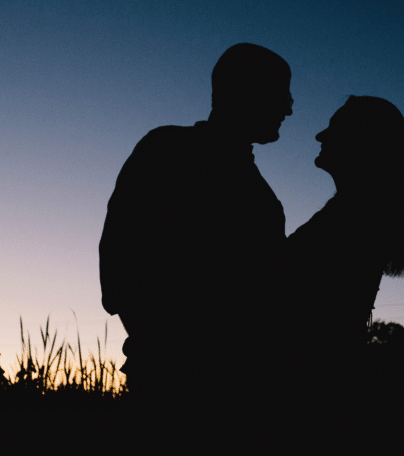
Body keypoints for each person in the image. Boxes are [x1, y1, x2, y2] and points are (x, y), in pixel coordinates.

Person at [98, 43, 292, 441]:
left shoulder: (265, 202)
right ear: (245, 92)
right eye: (281, 93)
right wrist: (163, 348)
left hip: (236, 396)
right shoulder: (166, 150)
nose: (289, 107)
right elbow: (118, 257)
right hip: (173, 389)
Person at [282, 95, 404, 428]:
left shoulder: (355, 219)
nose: (321, 136)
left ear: (363, 143)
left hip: (311, 396)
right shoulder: (357, 213)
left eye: (334, 128)